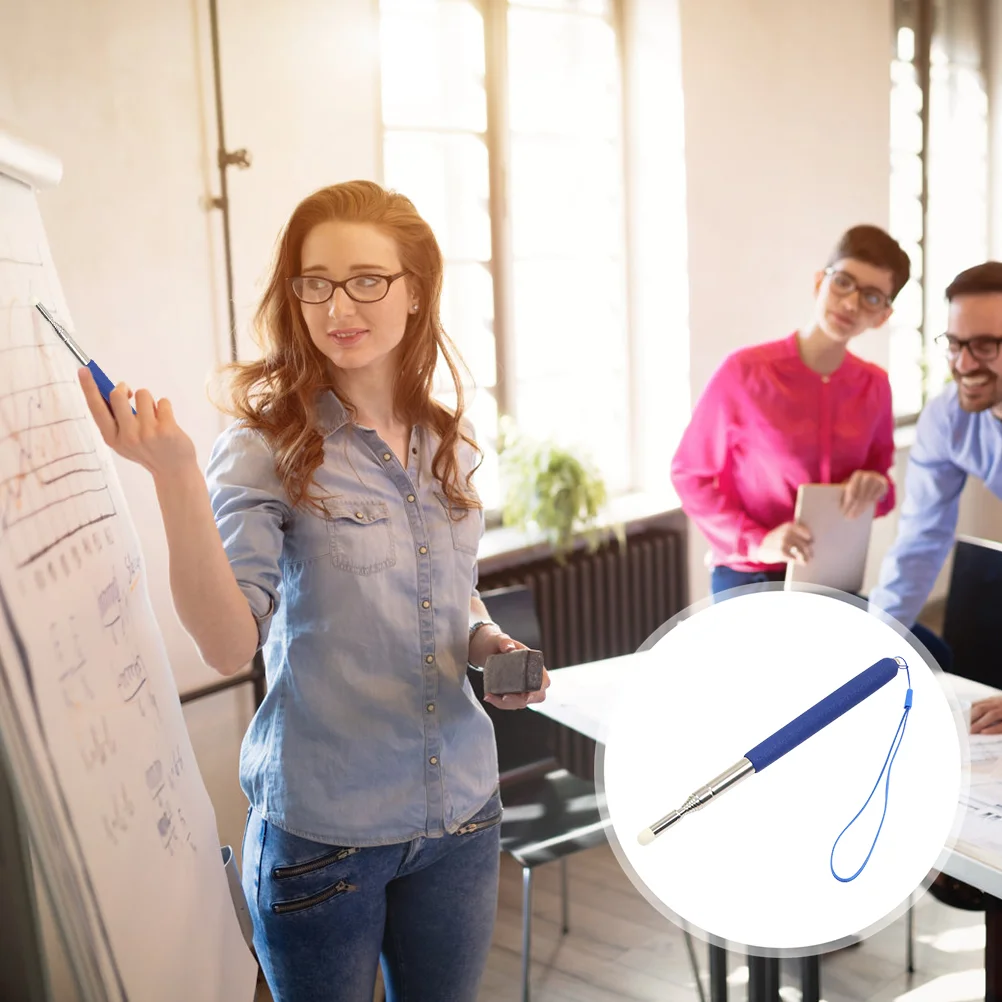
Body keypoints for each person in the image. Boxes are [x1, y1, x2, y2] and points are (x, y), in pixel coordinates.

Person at [77, 180, 549, 1002]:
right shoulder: (265, 447)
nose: (338, 304)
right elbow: (228, 643)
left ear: (415, 290)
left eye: (367, 278)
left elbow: (455, 591)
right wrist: (177, 478)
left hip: (463, 816)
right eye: (315, 281)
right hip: (327, 838)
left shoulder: (448, 441)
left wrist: (486, 642)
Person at [671, 225, 908, 598]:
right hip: (751, 575)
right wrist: (757, 541)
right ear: (820, 282)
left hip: (831, 574)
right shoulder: (745, 372)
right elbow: (690, 475)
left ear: (882, 316)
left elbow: (882, 488)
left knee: (930, 653)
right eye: (843, 282)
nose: (850, 304)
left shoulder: (875, 386)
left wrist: (876, 487)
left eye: (872, 297)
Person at [870, 260, 1002, 728]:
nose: (965, 364)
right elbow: (919, 542)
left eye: (986, 345)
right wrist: (873, 647)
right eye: (955, 343)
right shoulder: (948, 418)